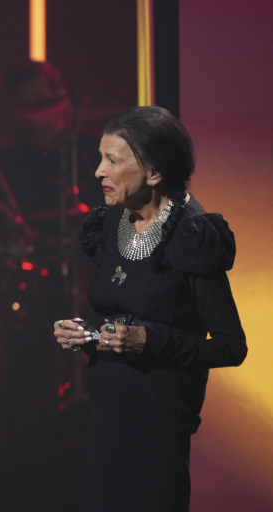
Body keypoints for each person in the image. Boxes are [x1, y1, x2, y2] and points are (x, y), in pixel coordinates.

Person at [53, 106, 247, 511]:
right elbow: (125, 317)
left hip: (157, 417)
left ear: (155, 172)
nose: (97, 172)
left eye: (112, 160)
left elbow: (231, 346)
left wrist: (150, 341)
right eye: (100, 157)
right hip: (109, 413)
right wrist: (89, 335)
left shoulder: (191, 236)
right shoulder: (110, 223)